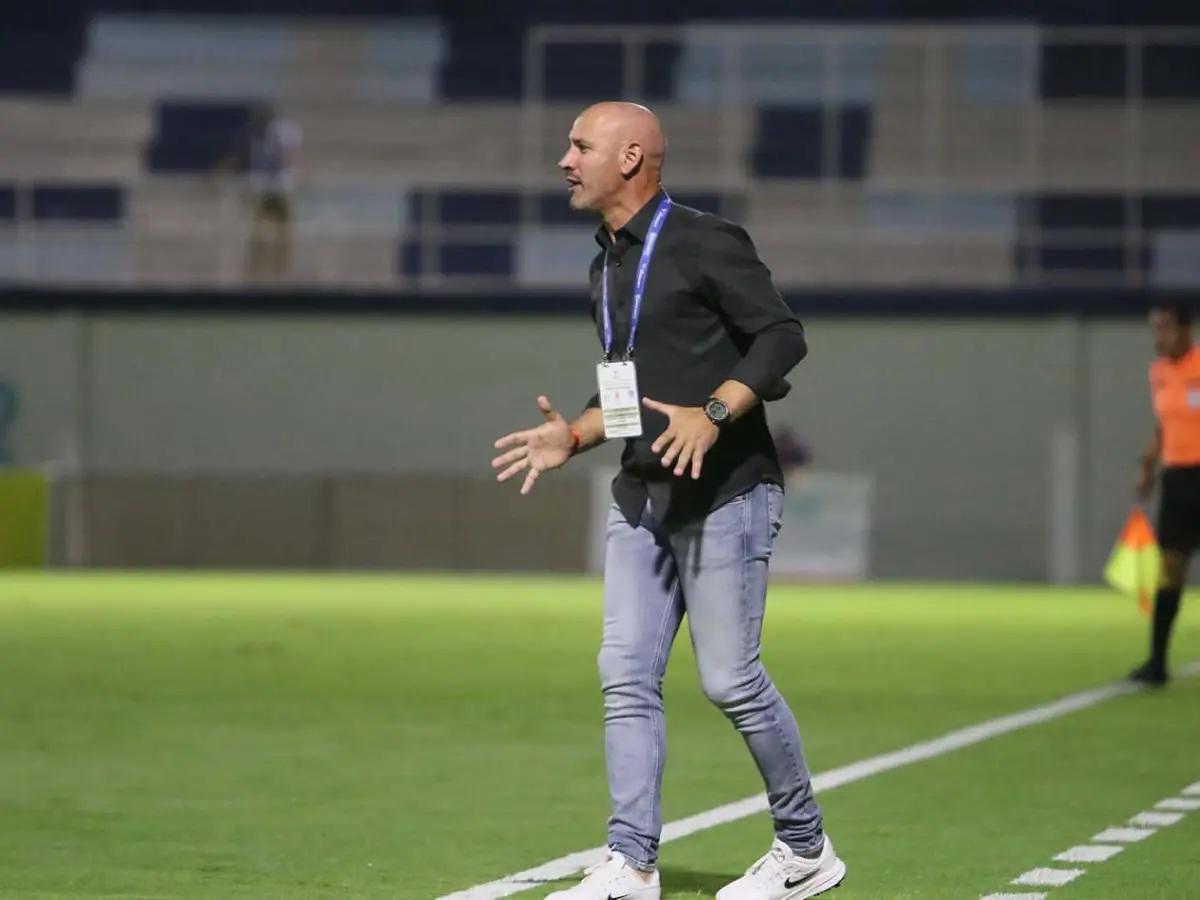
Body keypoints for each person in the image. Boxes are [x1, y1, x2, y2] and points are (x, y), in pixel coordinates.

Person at [491, 102, 845, 900]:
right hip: (641, 498)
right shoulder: (606, 262)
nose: (563, 159)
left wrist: (715, 413)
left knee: (730, 681)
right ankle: (631, 864)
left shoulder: (703, 239)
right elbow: (628, 393)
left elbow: (782, 336)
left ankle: (805, 848)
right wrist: (574, 437)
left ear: (632, 157)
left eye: (579, 144)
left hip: (725, 494)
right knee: (624, 674)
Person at [1130, 303, 1199, 686]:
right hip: (1177, 481)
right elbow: (1164, 426)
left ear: (1187, 329)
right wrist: (1148, 467)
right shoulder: (1158, 374)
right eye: (1155, 330)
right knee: (1170, 571)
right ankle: (1157, 663)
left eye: (1166, 328)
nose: (1159, 338)